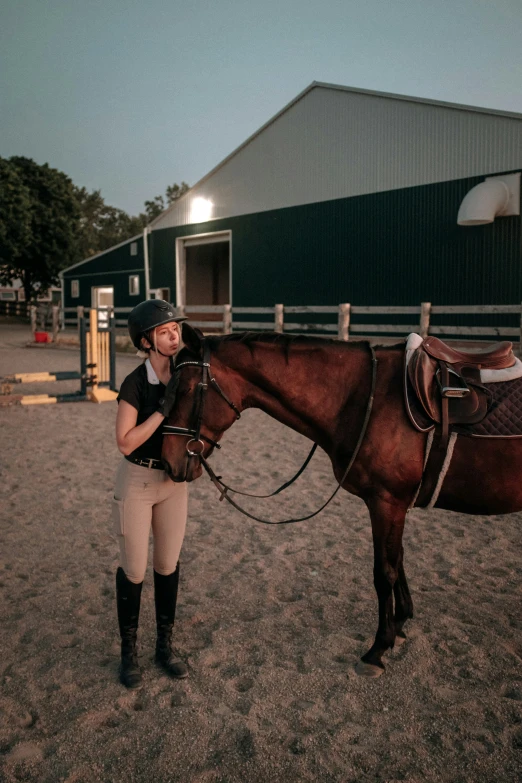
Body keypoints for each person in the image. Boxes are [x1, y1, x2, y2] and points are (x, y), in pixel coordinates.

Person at [113, 299, 188, 689]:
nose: (174, 335)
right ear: (147, 342)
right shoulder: (135, 384)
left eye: (176, 328)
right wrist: (161, 411)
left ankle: (165, 647)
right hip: (137, 482)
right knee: (135, 569)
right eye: (164, 331)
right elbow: (124, 443)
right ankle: (128, 655)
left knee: (168, 565)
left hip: (173, 484)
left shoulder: (185, 374)